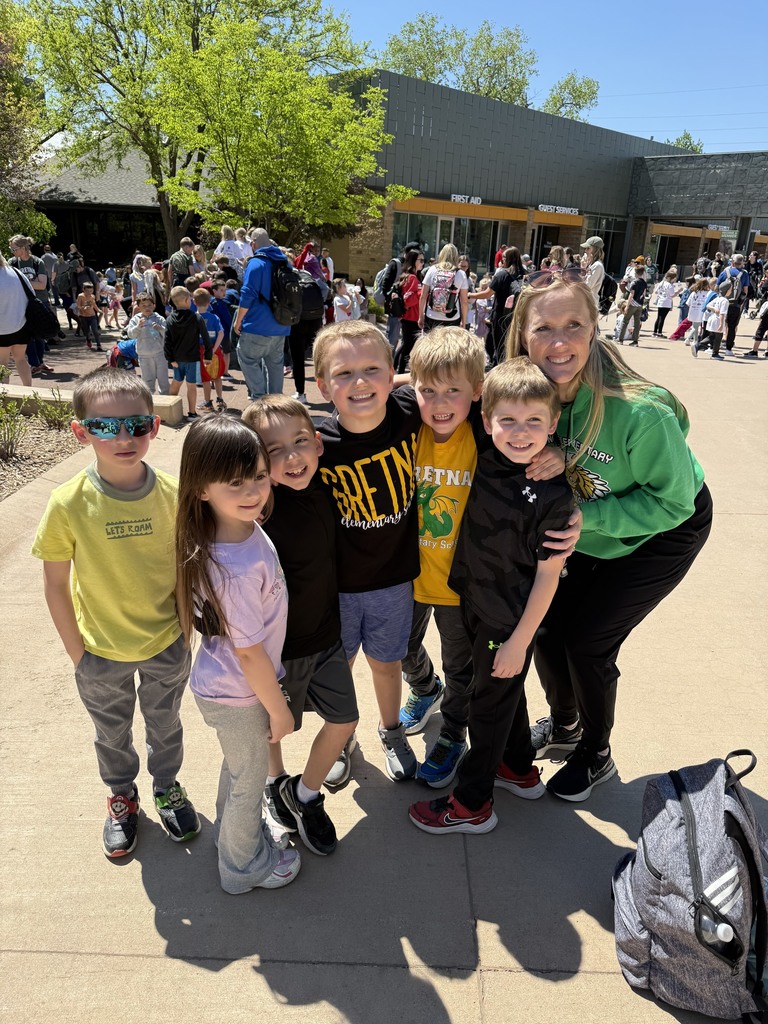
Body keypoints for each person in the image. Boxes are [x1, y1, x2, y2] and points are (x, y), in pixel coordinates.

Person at [507, 273, 712, 801]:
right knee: (548, 629)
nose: (558, 342)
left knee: (589, 642)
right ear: (522, 336)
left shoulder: (639, 413)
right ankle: (567, 723)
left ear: (594, 329)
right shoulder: (528, 391)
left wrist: (582, 513)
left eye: (573, 325)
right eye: (543, 328)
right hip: (591, 521)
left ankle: (595, 751)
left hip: (667, 525)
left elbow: (673, 501)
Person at [31, 367, 201, 857]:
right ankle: (122, 794)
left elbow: (188, 569)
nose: (124, 438)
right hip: (100, 651)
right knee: (112, 732)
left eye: (137, 424)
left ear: (154, 425)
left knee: (165, 724)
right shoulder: (67, 503)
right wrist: (78, 655)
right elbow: (56, 585)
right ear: (81, 432)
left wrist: (184, 634)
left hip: (165, 642)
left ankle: (167, 786)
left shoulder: (174, 494)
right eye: (106, 427)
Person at [408, 358, 574, 834]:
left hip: (510, 621)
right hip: (475, 604)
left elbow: (547, 578)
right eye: (508, 421)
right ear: (486, 419)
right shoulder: (487, 450)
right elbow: (441, 385)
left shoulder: (553, 495)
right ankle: (518, 768)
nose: (520, 434)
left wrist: (520, 642)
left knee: (488, 706)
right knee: (504, 695)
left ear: (553, 424)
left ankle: (472, 803)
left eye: (534, 423)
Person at [175, 415, 300, 893]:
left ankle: (233, 841)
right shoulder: (238, 566)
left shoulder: (228, 529)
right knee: (250, 783)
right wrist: (279, 710)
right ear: (201, 488)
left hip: (223, 685)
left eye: (259, 477)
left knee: (239, 770)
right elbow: (250, 656)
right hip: (240, 692)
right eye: (235, 483)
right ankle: (242, 867)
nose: (253, 492)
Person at [242, 396, 360, 849]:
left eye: (300, 442)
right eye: (274, 451)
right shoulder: (256, 510)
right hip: (275, 652)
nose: (292, 457)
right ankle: (275, 781)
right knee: (272, 728)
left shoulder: (329, 485)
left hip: (327, 639)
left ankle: (304, 794)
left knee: (344, 720)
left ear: (318, 444)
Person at [313, 320, 422, 782]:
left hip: (394, 580)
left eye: (372, 369)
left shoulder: (410, 409)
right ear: (322, 385)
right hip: (337, 586)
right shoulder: (315, 445)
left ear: (392, 372)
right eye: (343, 374)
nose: (360, 382)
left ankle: (391, 728)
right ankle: (341, 735)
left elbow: (440, 378)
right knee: (340, 667)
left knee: (387, 663)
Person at [232, 228, 291, 400]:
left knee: (247, 357)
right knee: (275, 365)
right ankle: (277, 403)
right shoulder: (285, 263)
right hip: (281, 325)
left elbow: (247, 295)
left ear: (253, 243)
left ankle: (259, 399)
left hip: (257, 325)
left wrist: (238, 321)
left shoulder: (256, 263)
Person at [470, 246, 525, 367]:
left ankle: (500, 369)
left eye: (504, 258)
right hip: (518, 316)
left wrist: (470, 295)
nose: (502, 260)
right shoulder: (524, 274)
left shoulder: (502, 275)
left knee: (499, 347)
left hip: (501, 315)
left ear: (508, 259)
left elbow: (487, 294)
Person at [8, 234, 54, 374]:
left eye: (14, 248)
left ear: (23, 248)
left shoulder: (37, 262)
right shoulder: (12, 263)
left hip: (39, 301)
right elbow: (9, 283)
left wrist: (21, 282)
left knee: (40, 335)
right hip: (21, 303)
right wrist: (31, 283)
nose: (12, 251)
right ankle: (34, 364)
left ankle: (40, 362)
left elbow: (42, 285)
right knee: (28, 336)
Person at [164, 285, 211, 417]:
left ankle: (169, 408)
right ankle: (192, 413)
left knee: (176, 382)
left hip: (177, 358)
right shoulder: (196, 318)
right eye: (190, 299)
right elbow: (206, 338)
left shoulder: (170, 319)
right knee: (191, 386)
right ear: (186, 300)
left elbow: (167, 341)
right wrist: (208, 356)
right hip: (192, 358)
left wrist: (170, 358)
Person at [418, 244, 468, 334]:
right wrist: (463, 322)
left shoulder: (432, 270)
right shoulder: (460, 273)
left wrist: (421, 317)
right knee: (450, 347)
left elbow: (423, 296)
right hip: (452, 317)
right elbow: (464, 301)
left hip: (432, 316)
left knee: (430, 346)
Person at [0, 252, 33, 385]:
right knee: (20, 359)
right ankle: (29, 391)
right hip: (21, 324)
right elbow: (31, 293)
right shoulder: (16, 272)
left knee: (2, 364)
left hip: (2, 327)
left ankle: (4, 398)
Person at [125, 293, 168, 393]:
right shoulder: (135, 319)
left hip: (160, 354)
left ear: (154, 306)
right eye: (143, 306)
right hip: (144, 355)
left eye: (149, 305)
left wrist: (161, 329)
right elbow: (131, 335)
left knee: (163, 380)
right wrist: (138, 327)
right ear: (139, 307)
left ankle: (166, 401)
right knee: (148, 381)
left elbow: (168, 334)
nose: (147, 308)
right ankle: (149, 403)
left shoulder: (159, 319)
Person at [193, 287, 226, 411]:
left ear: (194, 302)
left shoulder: (193, 318)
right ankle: (220, 399)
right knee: (217, 376)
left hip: (201, 351)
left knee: (206, 378)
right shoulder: (214, 318)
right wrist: (214, 348)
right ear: (208, 303)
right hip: (215, 350)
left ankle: (208, 402)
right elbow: (221, 333)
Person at [392, 249, 424, 374]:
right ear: (413, 261)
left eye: (423, 260)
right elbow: (408, 300)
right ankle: (399, 372)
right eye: (420, 260)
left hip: (411, 317)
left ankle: (396, 368)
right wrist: (422, 293)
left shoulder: (414, 277)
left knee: (406, 345)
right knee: (408, 347)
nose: (423, 263)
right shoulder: (412, 278)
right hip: (411, 317)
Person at [716, 254, 750, 354]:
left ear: (732, 262)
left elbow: (717, 287)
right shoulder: (744, 274)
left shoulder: (725, 271)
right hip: (735, 304)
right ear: (742, 263)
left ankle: (715, 347)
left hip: (723, 302)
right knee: (732, 326)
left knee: (720, 324)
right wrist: (741, 301)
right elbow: (745, 290)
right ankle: (729, 348)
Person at [694, 280, 730, 359]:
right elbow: (722, 313)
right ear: (727, 291)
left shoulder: (718, 298)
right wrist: (721, 324)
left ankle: (698, 346)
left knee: (712, 337)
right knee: (718, 338)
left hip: (712, 319)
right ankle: (715, 353)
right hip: (718, 320)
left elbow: (708, 305)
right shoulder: (725, 301)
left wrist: (714, 309)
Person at [618, 265, 648, 345]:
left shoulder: (634, 282)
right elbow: (644, 294)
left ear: (635, 272)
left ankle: (620, 339)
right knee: (637, 322)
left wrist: (627, 305)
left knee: (625, 321)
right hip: (639, 304)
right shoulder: (644, 283)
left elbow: (631, 294)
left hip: (633, 303)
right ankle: (635, 341)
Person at [76, 282, 104, 351]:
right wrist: (83, 308)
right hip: (83, 316)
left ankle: (99, 345)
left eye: (91, 291)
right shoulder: (80, 296)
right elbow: (78, 306)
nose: (89, 292)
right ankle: (88, 339)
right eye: (87, 291)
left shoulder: (92, 296)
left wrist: (98, 310)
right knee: (87, 331)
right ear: (83, 290)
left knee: (95, 330)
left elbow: (94, 305)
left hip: (92, 316)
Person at [651, 270, 678, 337]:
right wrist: (678, 291)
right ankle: (659, 332)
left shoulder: (662, 283)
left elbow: (656, 291)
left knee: (659, 317)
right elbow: (672, 295)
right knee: (662, 318)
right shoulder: (670, 285)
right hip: (667, 302)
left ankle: (654, 332)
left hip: (660, 301)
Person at [579, 236, 605, 304]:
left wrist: (583, 270)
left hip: (589, 303)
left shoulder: (597, 266)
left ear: (595, 250)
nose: (585, 251)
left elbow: (587, 286)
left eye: (588, 248)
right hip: (585, 301)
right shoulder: (591, 264)